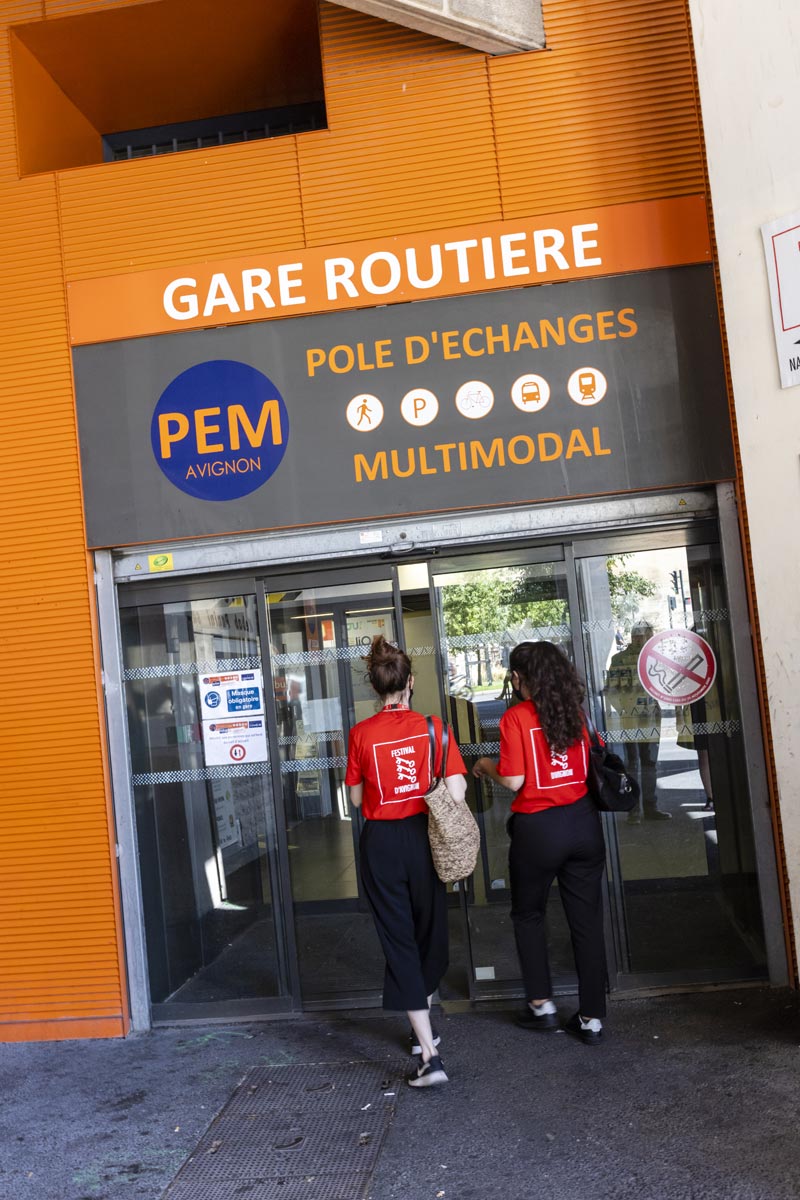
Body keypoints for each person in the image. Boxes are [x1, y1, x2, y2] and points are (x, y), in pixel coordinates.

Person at [345, 635, 468, 1087]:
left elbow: (356, 799)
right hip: (424, 839)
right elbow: (457, 793)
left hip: (381, 843)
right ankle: (426, 1044)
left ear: (375, 687)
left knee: (399, 941)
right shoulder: (434, 728)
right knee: (429, 934)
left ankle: (427, 1050)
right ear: (410, 682)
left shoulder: (361, 734)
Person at [473, 640, 608, 1046]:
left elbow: (514, 780)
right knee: (586, 922)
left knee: (529, 914)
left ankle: (541, 1006)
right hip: (583, 824)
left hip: (538, 829)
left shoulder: (516, 717)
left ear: (519, 678)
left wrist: (485, 765)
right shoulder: (575, 712)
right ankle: (591, 1018)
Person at [604, 621, 669, 822]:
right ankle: (634, 809)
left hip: (650, 716)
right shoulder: (619, 659)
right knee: (632, 762)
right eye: (636, 635)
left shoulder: (655, 657)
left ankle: (650, 806)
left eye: (643, 635)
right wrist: (622, 709)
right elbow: (611, 689)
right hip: (631, 717)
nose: (639, 639)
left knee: (649, 762)